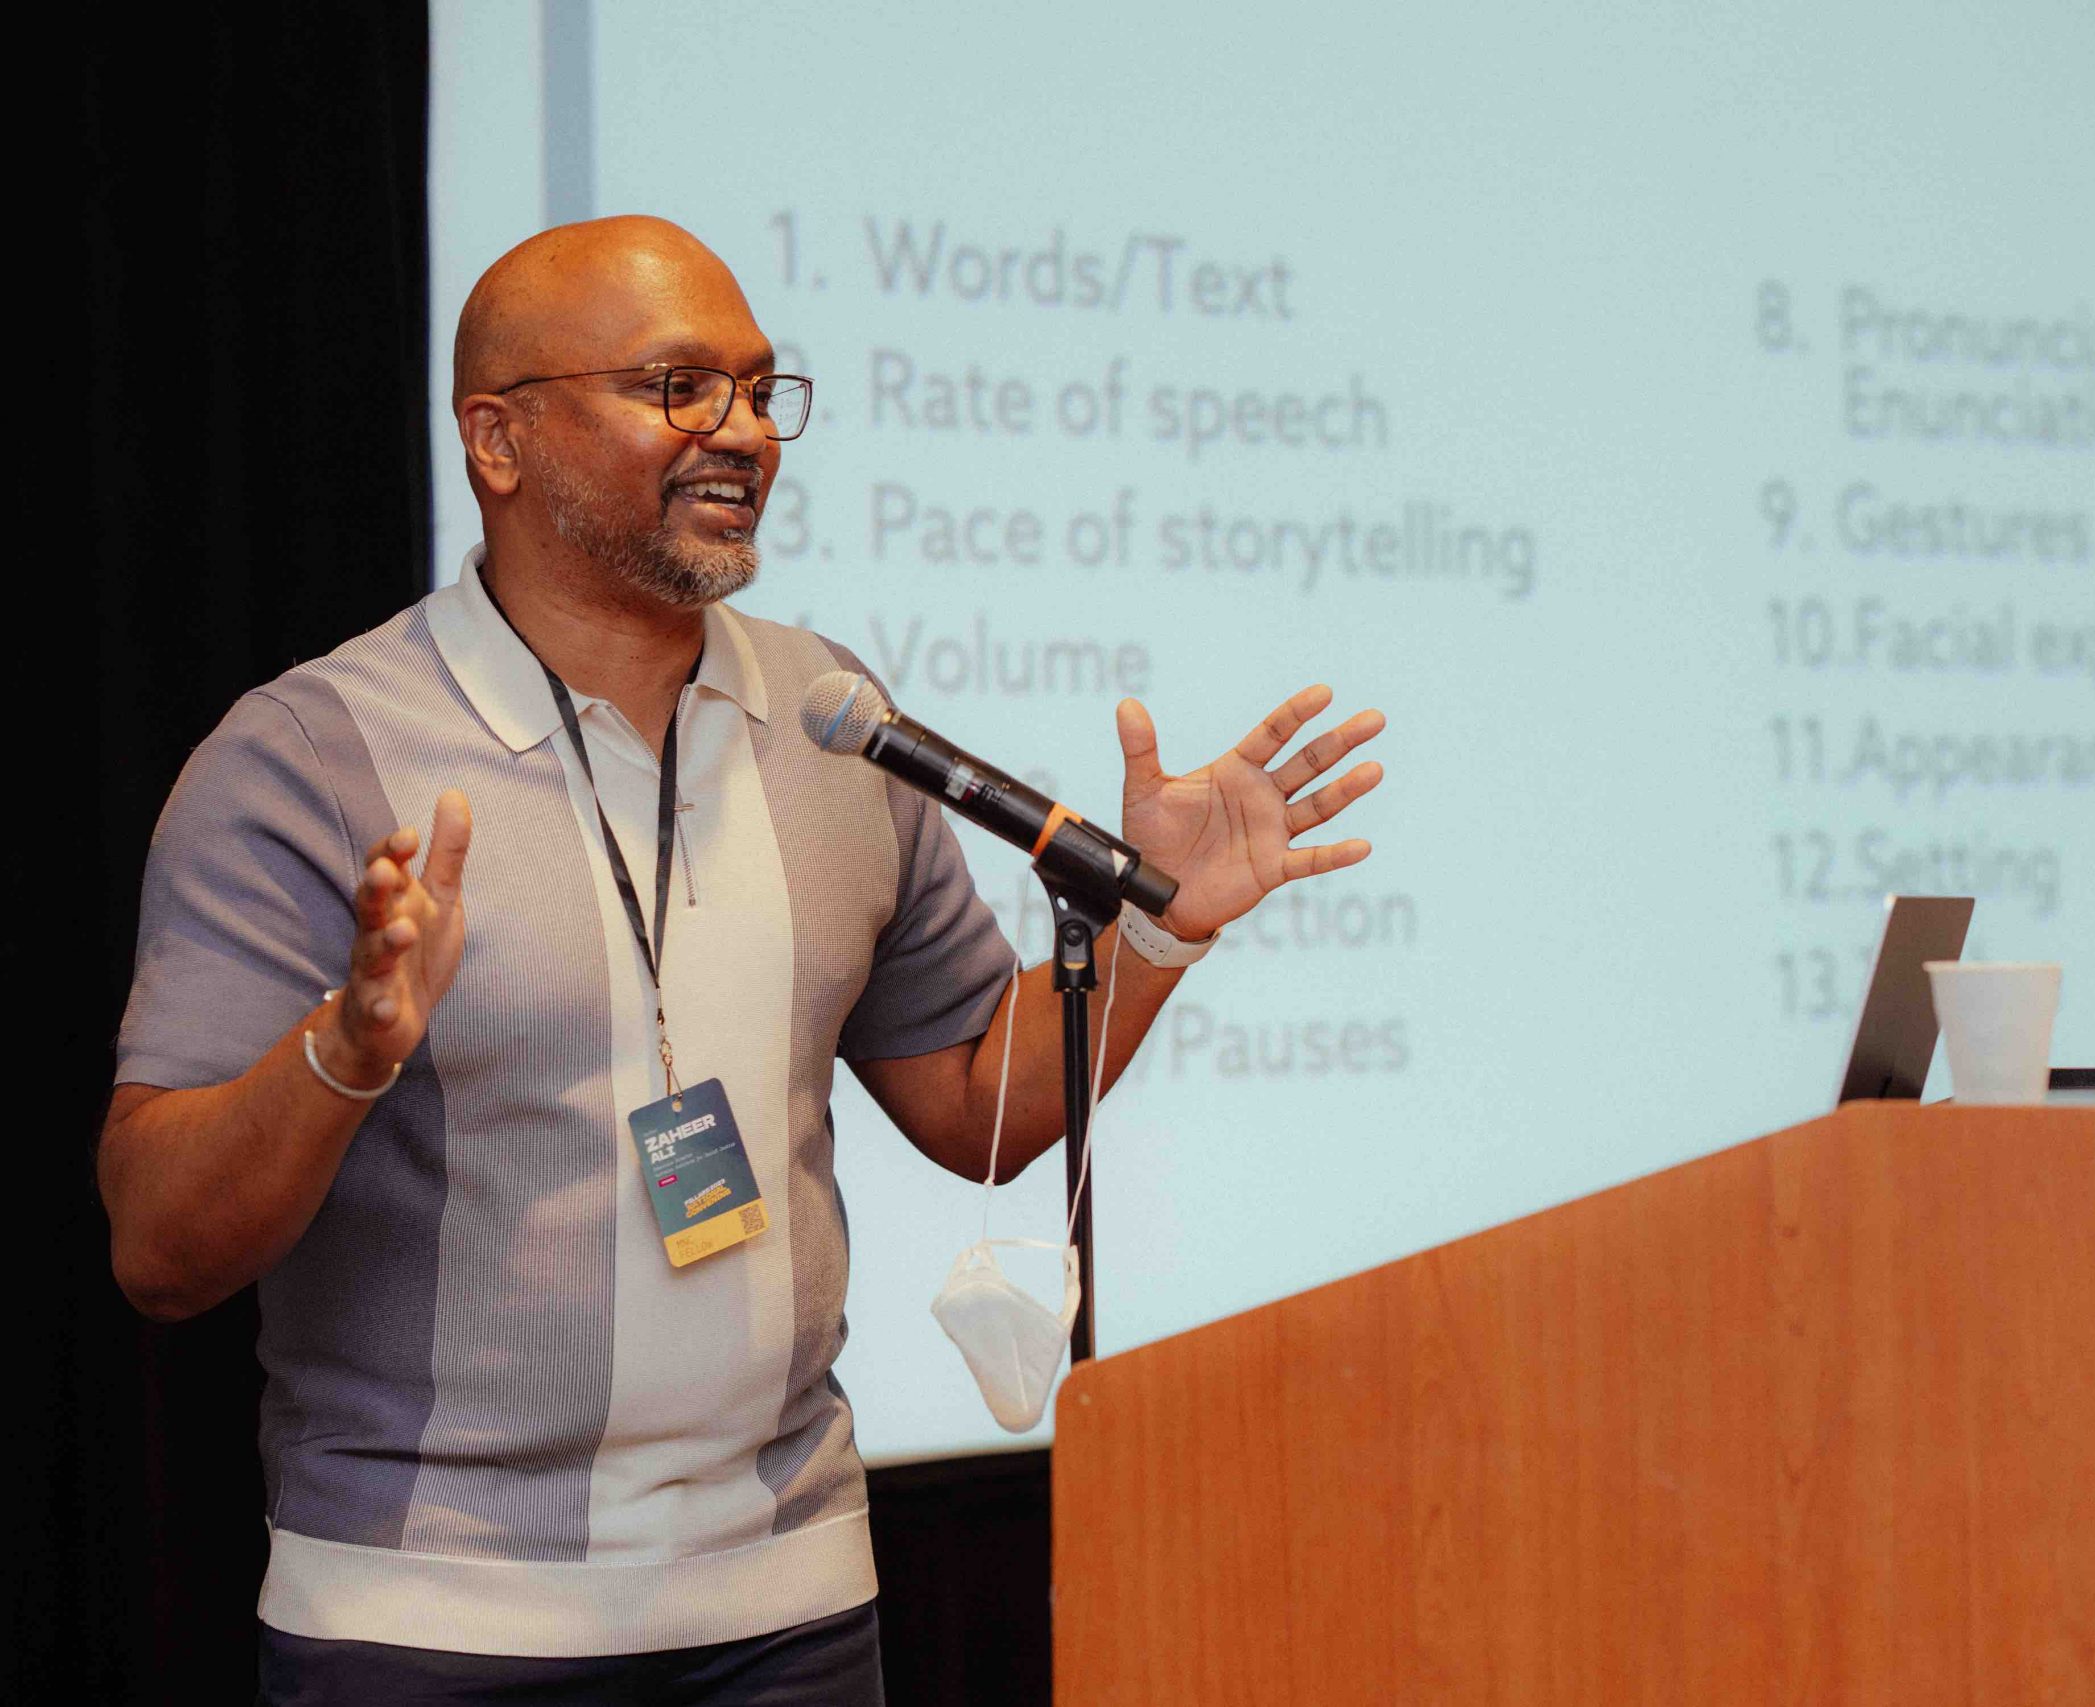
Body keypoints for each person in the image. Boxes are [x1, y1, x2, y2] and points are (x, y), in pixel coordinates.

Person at [99, 215, 1385, 1705]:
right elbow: (160, 1251)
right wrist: (348, 1050)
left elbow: (982, 1103)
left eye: (764, 391)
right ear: (497, 440)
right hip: (431, 1625)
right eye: (679, 388)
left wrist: (1161, 925)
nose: (743, 433)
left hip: (791, 1608)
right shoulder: (310, 760)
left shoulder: (832, 716)